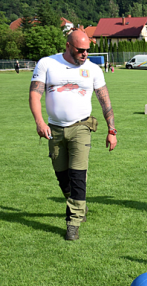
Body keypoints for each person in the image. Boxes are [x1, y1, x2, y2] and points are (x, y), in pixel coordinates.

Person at [29, 29, 117, 241]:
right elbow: (34, 94)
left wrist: (111, 130)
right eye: (80, 50)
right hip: (54, 129)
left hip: (81, 127)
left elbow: (104, 100)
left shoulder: (93, 70)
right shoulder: (47, 64)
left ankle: (73, 222)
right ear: (68, 46)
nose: (85, 54)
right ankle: (78, 204)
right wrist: (39, 122)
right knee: (62, 177)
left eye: (87, 50)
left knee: (78, 174)